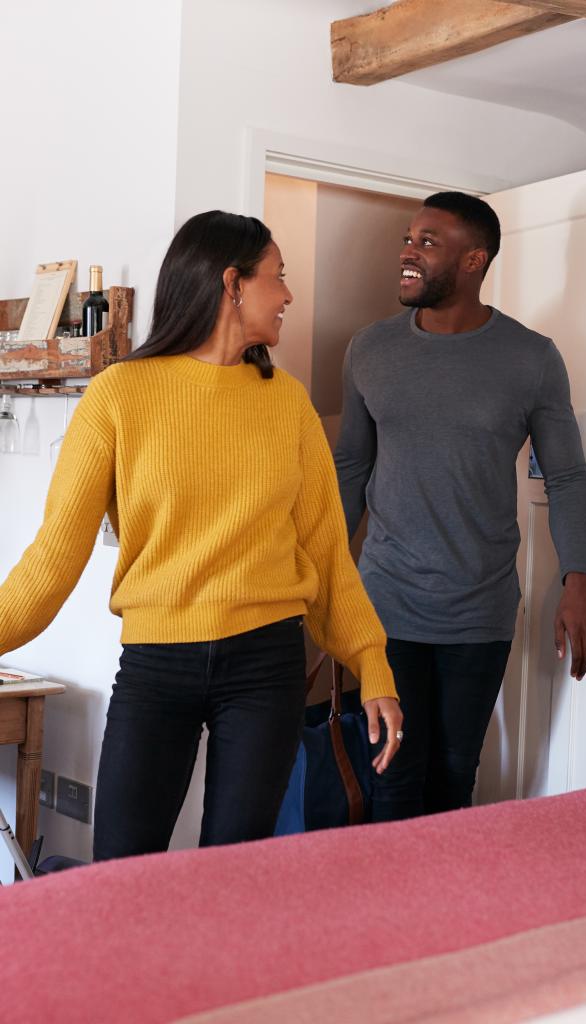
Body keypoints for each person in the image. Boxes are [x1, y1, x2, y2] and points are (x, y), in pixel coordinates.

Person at [0, 211, 402, 859]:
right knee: (122, 869)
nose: (289, 294)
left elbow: (328, 557)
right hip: (158, 665)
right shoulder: (118, 397)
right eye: (279, 277)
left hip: (266, 665)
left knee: (235, 871)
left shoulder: (287, 404)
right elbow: (51, 560)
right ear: (232, 283)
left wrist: (372, 664)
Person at [334, 191, 586, 823]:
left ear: (473, 261)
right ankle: (394, 917)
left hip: (478, 609)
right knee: (393, 775)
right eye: (409, 238)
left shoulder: (531, 358)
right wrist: (320, 574)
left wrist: (579, 584)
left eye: (428, 242)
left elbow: (567, 476)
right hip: (387, 604)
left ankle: (447, 916)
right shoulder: (370, 350)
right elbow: (351, 465)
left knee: (454, 775)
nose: (407, 251)